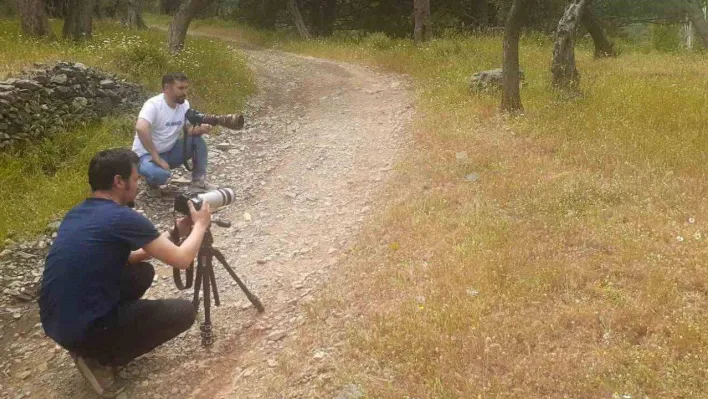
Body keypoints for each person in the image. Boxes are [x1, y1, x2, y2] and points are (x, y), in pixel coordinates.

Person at [39, 148, 212, 398]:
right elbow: (183, 260)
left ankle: (94, 339)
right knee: (184, 312)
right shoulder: (123, 217)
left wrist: (178, 232)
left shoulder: (78, 213)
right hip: (83, 329)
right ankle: (99, 359)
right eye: (135, 178)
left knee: (142, 272)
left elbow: (128, 257)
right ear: (118, 182)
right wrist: (201, 225)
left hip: (56, 320)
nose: (138, 183)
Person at [132, 72, 215, 196]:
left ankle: (198, 182)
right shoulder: (153, 105)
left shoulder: (184, 104)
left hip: (170, 151)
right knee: (160, 176)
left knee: (197, 141)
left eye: (186, 88)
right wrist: (156, 156)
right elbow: (140, 127)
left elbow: (188, 129)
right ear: (166, 89)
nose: (184, 92)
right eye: (180, 88)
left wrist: (201, 129)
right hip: (146, 156)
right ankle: (151, 183)